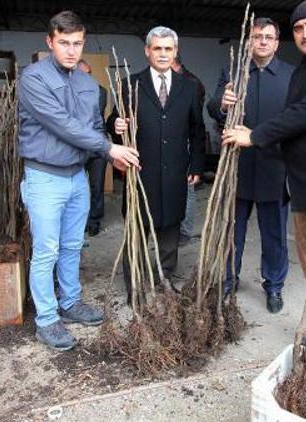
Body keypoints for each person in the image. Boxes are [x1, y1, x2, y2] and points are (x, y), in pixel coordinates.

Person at [223, 0, 306, 359]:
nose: (305, 33)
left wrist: (254, 136)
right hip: (301, 185)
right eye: (299, 28)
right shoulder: (305, 67)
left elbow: (304, 113)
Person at [18, 11, 138, 351]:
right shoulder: (33, 78)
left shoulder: (88, 84)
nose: (72, 50)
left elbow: (93, 130)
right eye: (65, 43)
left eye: (78, 43)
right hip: (44, 176)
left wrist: (112, 156)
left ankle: (70, 303)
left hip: (76, 177)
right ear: (50, 41)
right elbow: (62, 125)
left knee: (72, 245)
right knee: (46, 251)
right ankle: (46, 319)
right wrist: (108, 147)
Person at [107, 26, 205, 303]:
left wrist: (196, 165)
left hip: (176, 172)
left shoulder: (188, 87)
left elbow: (197, 130)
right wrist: (116, 125)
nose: (163, 54)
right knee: (136, 232)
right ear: (147, 51)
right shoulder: (131, 84)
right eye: (157, 48)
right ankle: (134, 287)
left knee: (170, 231)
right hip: (140, 173)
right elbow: (114, 122)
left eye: (168, 49)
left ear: (175, 52)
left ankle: (164, 280)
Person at [207, 17, 293, 314]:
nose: (263, 41)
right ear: (249, 41)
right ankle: (229, 279)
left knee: (274, 233)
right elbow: (212, 108)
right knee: (232, 229)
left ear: (277, 42)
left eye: (269, 37)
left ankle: (274, 286)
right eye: (258, 36)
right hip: (237, 167)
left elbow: (295, 120)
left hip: (274, 165)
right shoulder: (233, 72)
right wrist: (222, 102)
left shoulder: (290, 76)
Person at [170, 54, 206, 247]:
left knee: (187, 188)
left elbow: (195, 123)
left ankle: (184, 231)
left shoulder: (190, 82)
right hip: (175, 141)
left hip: (185, 142)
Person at [77, 58, 109, 237]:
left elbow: (91, 115)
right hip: (77, 147)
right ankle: (79, 221)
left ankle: (94, 221)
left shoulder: (100, 91)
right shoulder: (67, 92)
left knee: (97, 186)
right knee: (79, 188)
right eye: (83, 73)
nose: (87, 77)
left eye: (89, 73)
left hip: (97, 146)